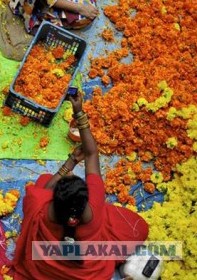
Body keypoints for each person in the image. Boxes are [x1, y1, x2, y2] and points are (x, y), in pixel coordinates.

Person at [11, 91, 149, 280]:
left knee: (43, 181)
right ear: (86, 199)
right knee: (138, 227)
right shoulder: (94, 211)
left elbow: (43, 191)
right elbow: (92, 154)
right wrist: (79, 112)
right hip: (88, 271)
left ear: (53, 201)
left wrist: (71, 162)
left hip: (43, 268)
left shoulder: (41, 210)